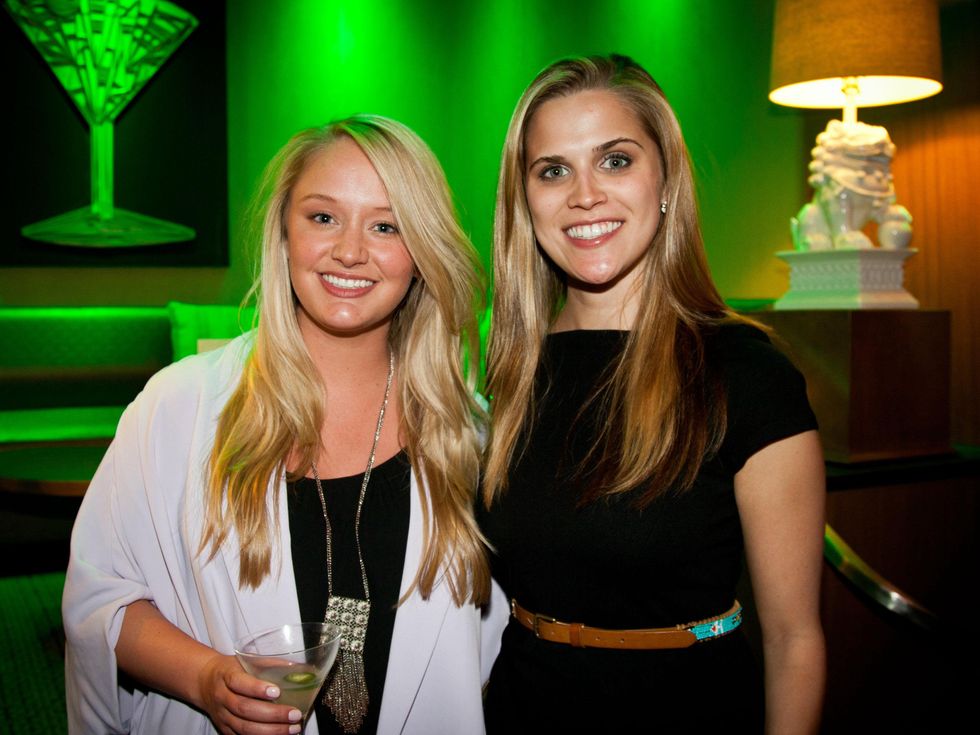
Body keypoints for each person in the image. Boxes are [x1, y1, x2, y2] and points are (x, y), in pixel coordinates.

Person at [63, 115, 504, 735]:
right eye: (323, 217)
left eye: (386, 226)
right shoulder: (179, 407)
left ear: (423, 251)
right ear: (284, 233)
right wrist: (204, 678)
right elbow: (101, 600)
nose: (349, 251)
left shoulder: (469, 434)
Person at [478, 54, 826, 733]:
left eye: (615, 161)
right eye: (553, 170)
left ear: (664, 178)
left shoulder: (745, 375)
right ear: (525, 202)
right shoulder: (507, 371)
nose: (584, 195)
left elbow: (794, 642)